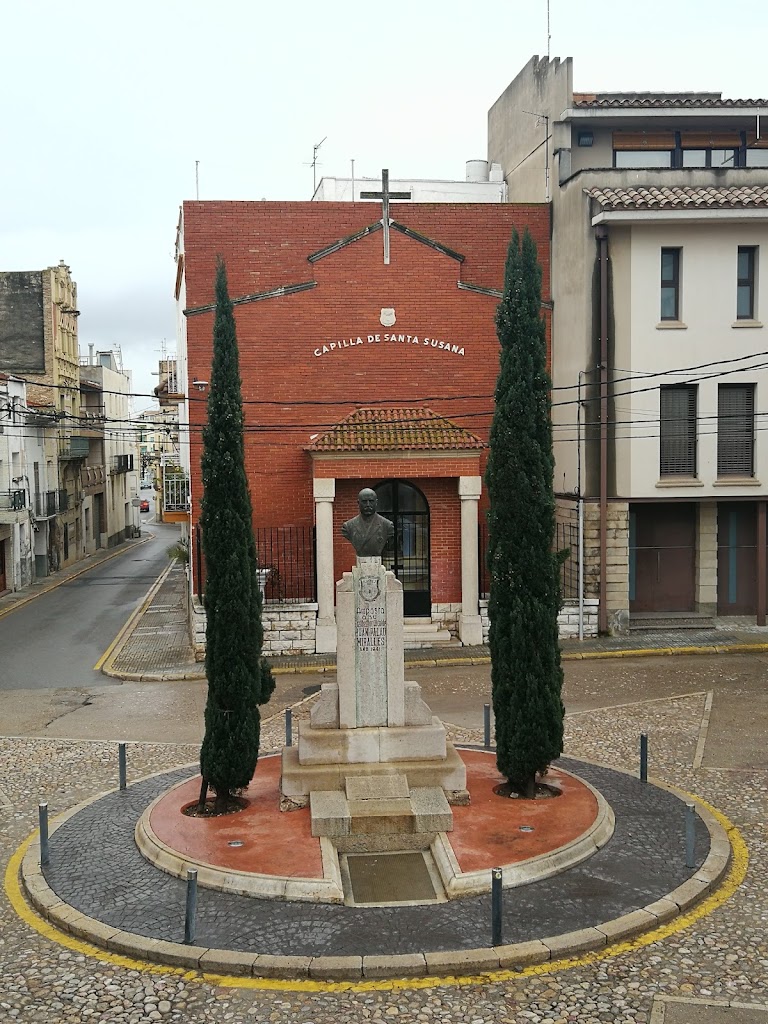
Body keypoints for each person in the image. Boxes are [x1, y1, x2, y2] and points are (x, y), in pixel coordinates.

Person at [341, 488, 394, 557]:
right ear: (358, 503)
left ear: (376, 502)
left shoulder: (387, 525)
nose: (368, 505)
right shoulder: (348, 526)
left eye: (371, 501)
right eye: (364, 501)